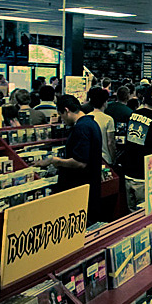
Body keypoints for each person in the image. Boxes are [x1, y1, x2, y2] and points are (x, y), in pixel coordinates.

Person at [31, 94, 104, 225]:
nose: (62, 119)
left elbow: (80, 162)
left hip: (80, 190)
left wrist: (54, 161)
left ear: (66, 110)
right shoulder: (91, 123)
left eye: (61, 115)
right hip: (90, 188)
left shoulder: (82, 127)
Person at [120, 83, 152, 212]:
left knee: (131, 216)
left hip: (128, 173)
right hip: (145, 177)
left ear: (143, 99)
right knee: (148, 217)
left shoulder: (133, 115)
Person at [85, 86, 117, 167]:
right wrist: (114, 158)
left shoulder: (86, 118)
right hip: (105, 159)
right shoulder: (108, 119)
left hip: (90, 158)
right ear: (105, 102)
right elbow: (110, 142)